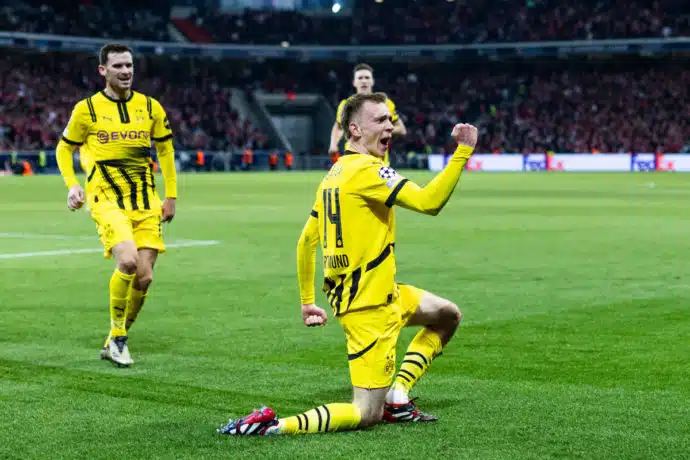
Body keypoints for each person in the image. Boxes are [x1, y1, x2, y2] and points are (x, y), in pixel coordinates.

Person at [219, 92, 477, 436]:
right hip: (369, 308)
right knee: (365, 412)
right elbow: (428, 202)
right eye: (379, 120)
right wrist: (463, 152)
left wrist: (307, 301)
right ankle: (273, 426)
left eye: (390, 119)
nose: (389, 125)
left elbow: (305, 242)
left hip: (385, 294)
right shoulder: (368, 171)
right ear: (354, 129)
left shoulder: (334, 175)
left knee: (448, 316)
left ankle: (398, 398)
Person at [56, 43, 178, 367]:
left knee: (144, 278)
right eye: (118, 66)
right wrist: (72, 185)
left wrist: (171, 195)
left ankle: (113, 340)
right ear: (103, 71)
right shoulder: (87, 110)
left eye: (129, 65)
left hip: (145, 200)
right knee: (127, 261)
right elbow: (63, 149)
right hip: (106, 198)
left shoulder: (151, 107)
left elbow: (165, 151)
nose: (125, 71)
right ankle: (119, 336)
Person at [329, 63, 406, 166]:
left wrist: (377, 129)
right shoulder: (345, 105)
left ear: (372, 81)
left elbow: (401, 130)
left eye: (367, 77)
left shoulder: (386, 104)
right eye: (360, 78)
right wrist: (333, 144)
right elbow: (339, 127)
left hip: (379, 163)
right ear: (354, 82)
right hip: (354, 160)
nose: (364, 80)